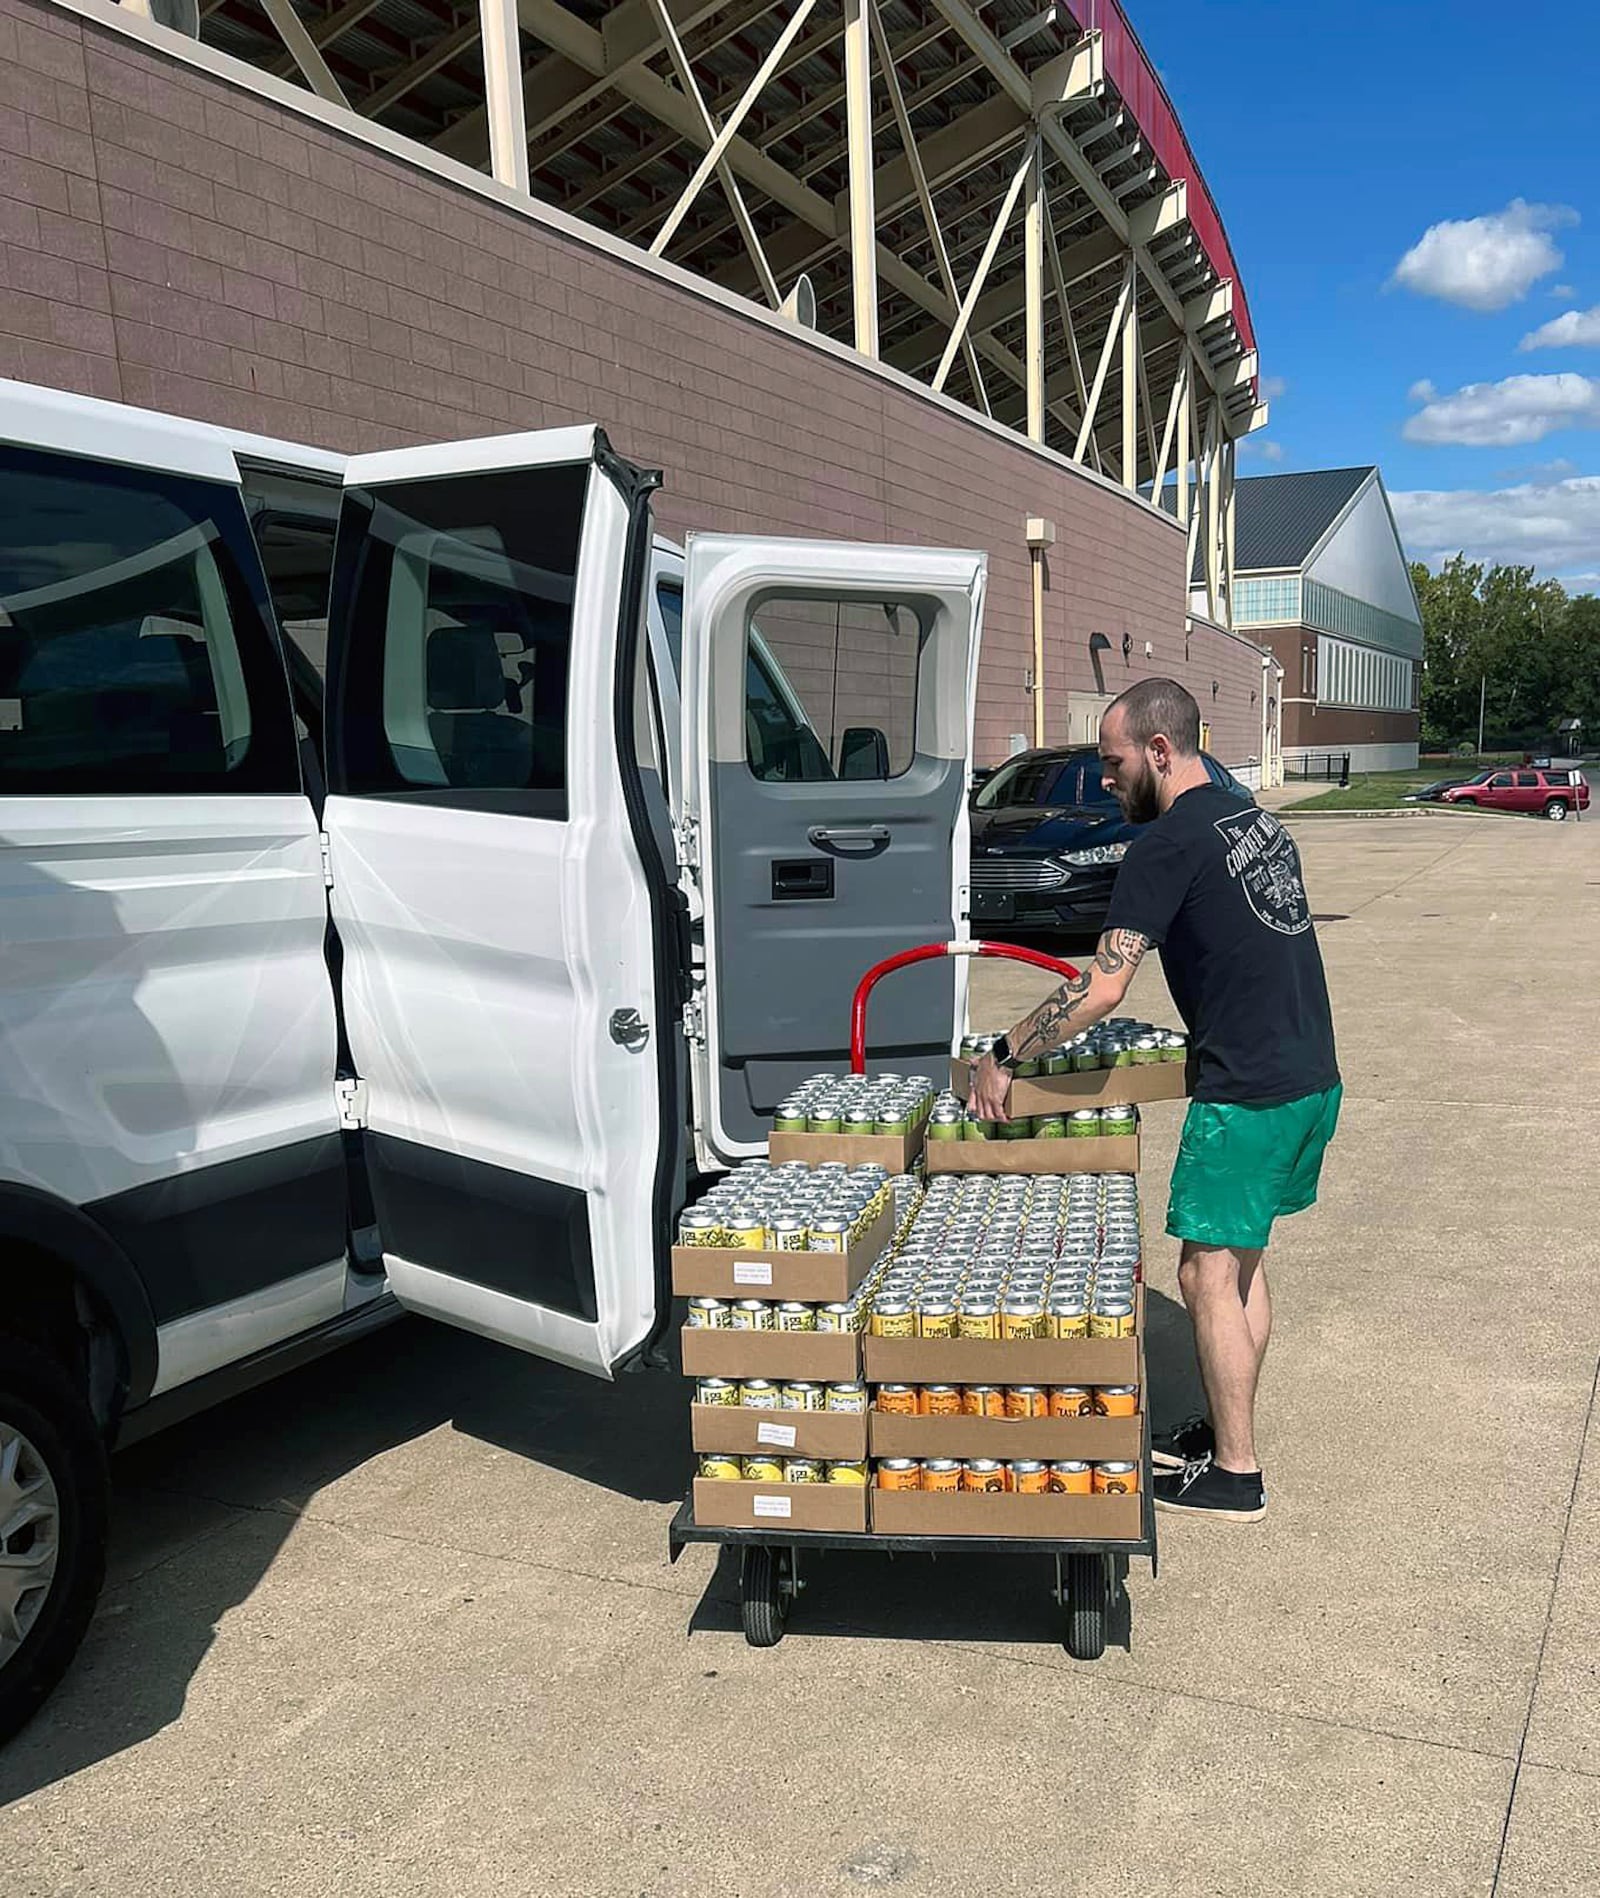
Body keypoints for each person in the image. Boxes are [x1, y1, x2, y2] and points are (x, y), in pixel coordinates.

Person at [967, 678, 1339, 1523]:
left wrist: (1004, 1055)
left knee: (1204, 1272)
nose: (1105, 780)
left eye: (1112, 763)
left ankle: (1236, 1473)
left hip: (1247, 1093)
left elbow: (1100, 988)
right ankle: (1224, 1426)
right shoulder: (1256, 820)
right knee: (1240, 1264)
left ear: (1159, 752)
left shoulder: (1167, 845)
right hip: (1311, 1075)